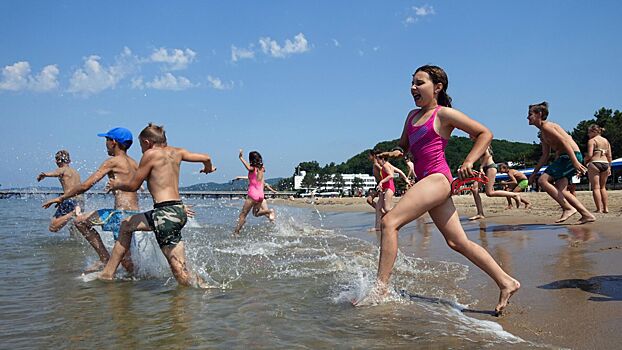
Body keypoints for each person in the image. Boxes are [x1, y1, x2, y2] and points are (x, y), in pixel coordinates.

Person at [355, 65, 520, 315]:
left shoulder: (443, 114)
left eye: (419, 83)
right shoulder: (411, 116)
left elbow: (484, 133)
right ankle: (507, 282)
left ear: (438, 87)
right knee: (457, 241)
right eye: (412, 83)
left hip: (437, 179)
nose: (413, 88)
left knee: (390, 223)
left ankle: (381, 289)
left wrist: (468, 162)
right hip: (427, 181)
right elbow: (405, 146)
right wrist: (395, 152)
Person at [99, 123, 216, 286]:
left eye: (141, 146)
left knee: (177, 267)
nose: (141, 150)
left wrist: (116, 184)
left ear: (147, 142)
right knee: (127, 226)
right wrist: (208, 168)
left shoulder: (151, 154)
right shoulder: (178, 152)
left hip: (164, 214)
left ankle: (107, 274)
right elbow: (206, 157)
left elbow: (133, 186)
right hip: (177, 210)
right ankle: (205, 288)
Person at [42, 128, 140, 273]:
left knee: (79, 221)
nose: (105, 144)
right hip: (133, 212)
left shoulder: (112, 162)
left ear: (113, 142)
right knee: (126, 258)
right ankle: (136, 284)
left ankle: (105, 259)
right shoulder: (134, 163)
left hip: (120, 214)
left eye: (106, 140)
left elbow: (85, 186)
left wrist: (61, 198)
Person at [527, 102, 595, 224]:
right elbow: (545, 155)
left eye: (530, 114)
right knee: (561, 189)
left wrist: (574, 161)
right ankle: (586, 214)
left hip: (569, 157)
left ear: (539, 114)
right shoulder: (542, 133)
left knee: (543, 181)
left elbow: (565, 142)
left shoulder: (547, 127)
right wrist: (533, 173)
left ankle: (567, 208)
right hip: (566, 158)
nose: (527, 117)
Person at [468, 145, 528, 220]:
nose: (469, 136)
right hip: (486, 168)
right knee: (474, 189)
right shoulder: (478, 143)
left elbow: (487, 155)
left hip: (490, 167)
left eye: (471, 135)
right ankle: (480, 213)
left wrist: (481, 167)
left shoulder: (483, 141)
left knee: (489, 193)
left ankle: (514, 195)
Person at [37, 150, 83, 232]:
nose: (55, 162)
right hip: (80, 201)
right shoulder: (75, 172)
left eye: (56, 160)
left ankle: (73, 213)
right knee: (74, 227)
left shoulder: (62, 169)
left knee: (53, 227)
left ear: (58, 161)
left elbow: (56, 172)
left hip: (70, 200)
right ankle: (75, 244)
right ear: (69, 160)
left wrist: (45, 174)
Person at [233, 149, 277, 235]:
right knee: (255, 213)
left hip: (253, 195)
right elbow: (255, 178)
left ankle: (236, 233)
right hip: (261, 195)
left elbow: (249, 168)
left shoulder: (252, 169)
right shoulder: (262, 168)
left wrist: (240, 157)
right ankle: (269, 211)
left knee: (243, 215)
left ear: (251, 160)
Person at [585, 124, 612, 213]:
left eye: (589, 132)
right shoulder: (606, 141)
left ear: (594, 132)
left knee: (596, 187)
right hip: (605, 163)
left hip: (595, 163)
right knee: (603, 187)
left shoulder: (592, 141)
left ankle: (599, 209)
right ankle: (606, 208)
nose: (588, 134)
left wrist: (584, 161)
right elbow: (609, 156)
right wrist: (609, 167)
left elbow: (589, 155)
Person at [365, 151, 383, 231]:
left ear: (374, 156)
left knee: (381, 205)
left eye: (369, 156)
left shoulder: (376, 164)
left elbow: (384, 170)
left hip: (381, 184)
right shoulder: (374, 164)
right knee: (369, 200)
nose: (368, 157)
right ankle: (380, 211)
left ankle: (378, 226)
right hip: (377, 185)